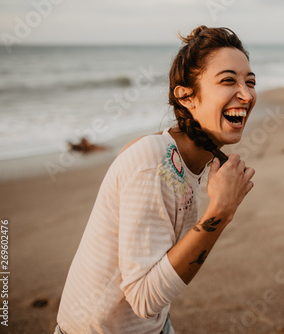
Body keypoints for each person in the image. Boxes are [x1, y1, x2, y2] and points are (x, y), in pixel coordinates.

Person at [55, 25, 256, 333]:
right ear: (187, 97)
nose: (246, 94)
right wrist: (221, 211)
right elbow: (145, 298)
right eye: (228, 80)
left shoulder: (188, 159)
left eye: (250, 81)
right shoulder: (152, 162)